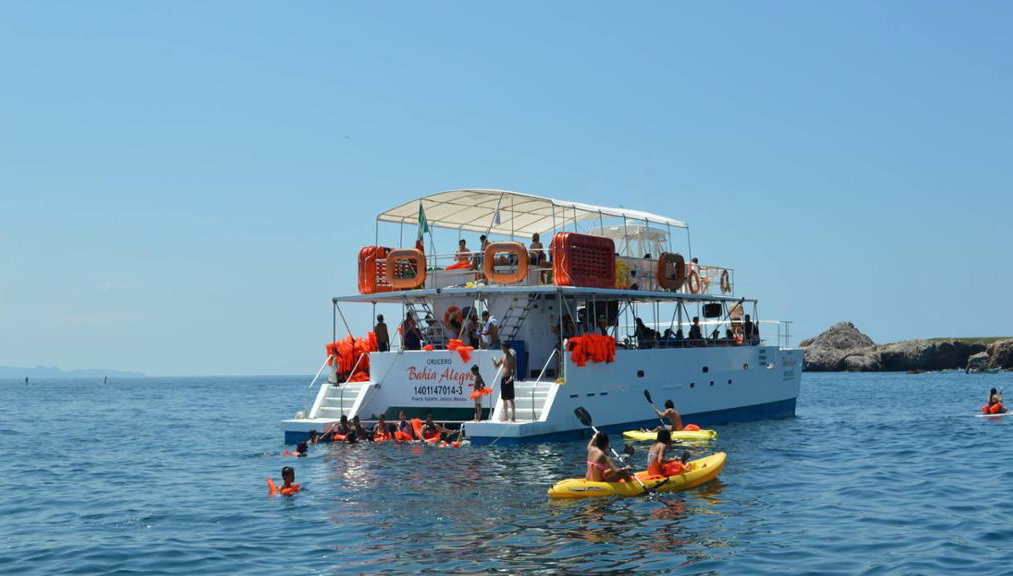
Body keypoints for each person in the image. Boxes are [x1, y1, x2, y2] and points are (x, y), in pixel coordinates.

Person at [493, 342, 516, 422]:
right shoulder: (503, 357)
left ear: (507, 348)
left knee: (511, 399)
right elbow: (497, 366)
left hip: (509, 378)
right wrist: (494, 360)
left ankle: (513, 416)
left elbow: (513, 370)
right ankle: (506, 416)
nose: (502, 349)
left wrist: (511, 378)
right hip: (503, 379)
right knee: (504, 399)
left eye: (503, 348)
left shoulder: (512, 358)